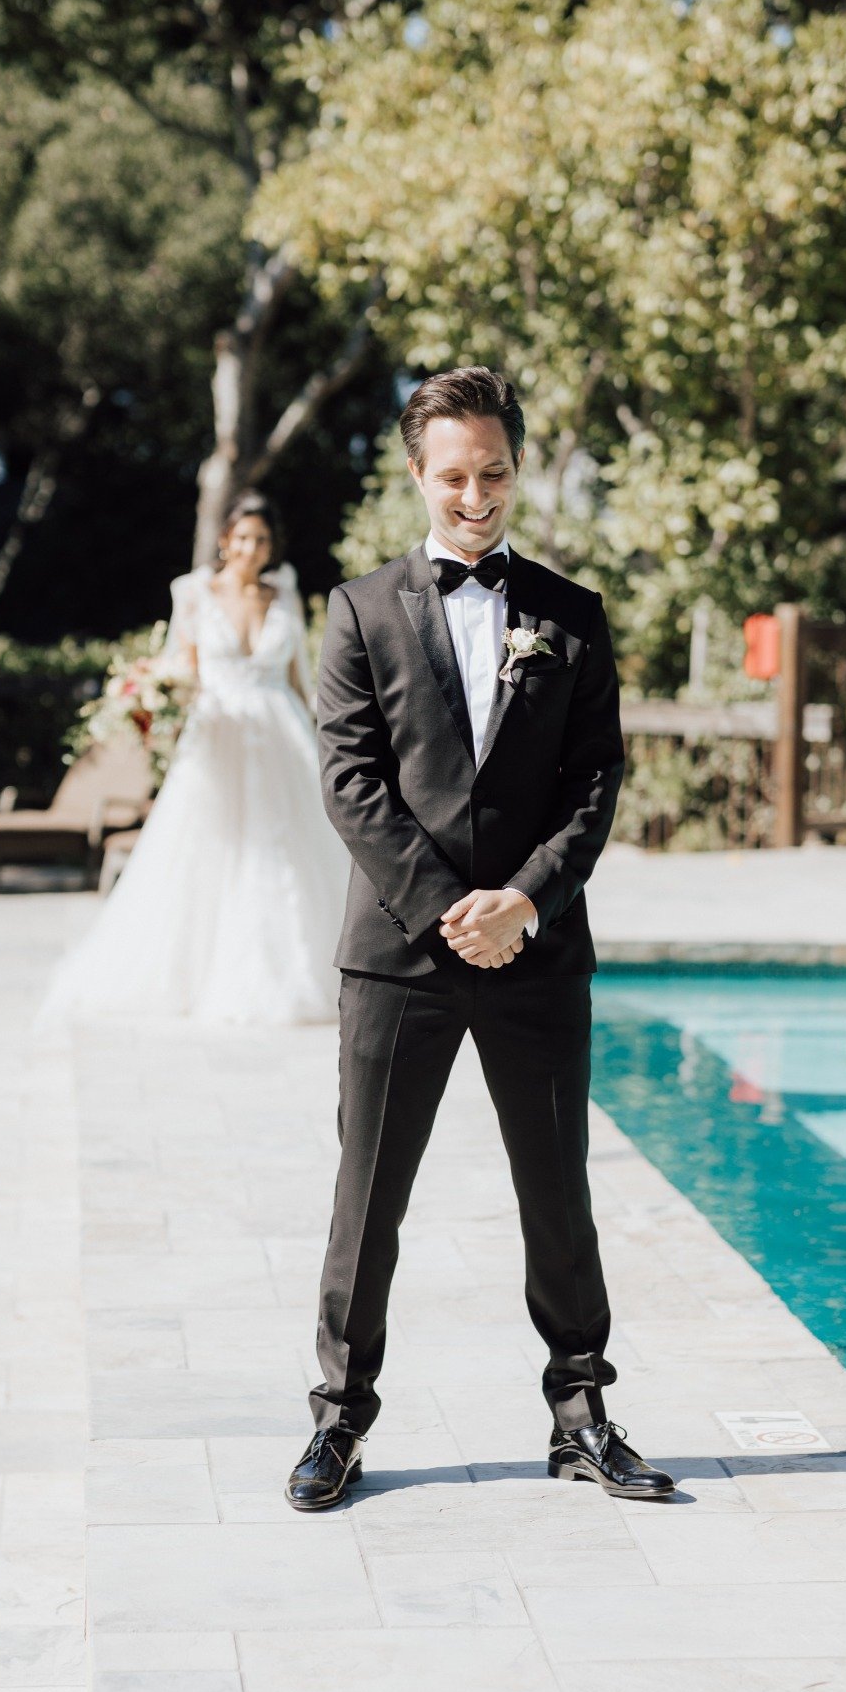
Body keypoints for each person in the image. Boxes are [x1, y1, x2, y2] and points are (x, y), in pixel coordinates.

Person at [285, 367, 675, 1509]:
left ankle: (582, 1413)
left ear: (518, 470)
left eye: (494, 472)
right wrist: (451, 911)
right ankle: (339, 1421)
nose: (476, 495)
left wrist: (525, 904)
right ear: (418, 475)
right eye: (453, 475)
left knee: (558, 1192)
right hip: (399, 957)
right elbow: (351, 783)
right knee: (369, 1196)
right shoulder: (357, 611)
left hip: (539, 955)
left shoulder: (573, 614)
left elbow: (596, 781)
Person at [40, 493, 348, 1028]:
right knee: (208, 850)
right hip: (218, 735)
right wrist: (156, 703)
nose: (252, 549)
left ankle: (307, 970)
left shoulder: (286, 594)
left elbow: (301, 677)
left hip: (284, 735)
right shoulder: (193, 593)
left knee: (293, 851)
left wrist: (327, 738)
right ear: (226, 539)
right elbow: (181, 671)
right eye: (243, 538)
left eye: (262, 540)